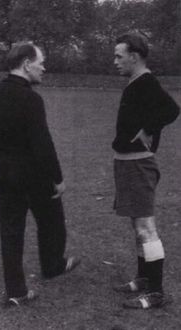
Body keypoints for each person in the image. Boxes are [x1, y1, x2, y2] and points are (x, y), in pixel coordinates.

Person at [0, 42, 80, 307]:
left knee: (11, 231)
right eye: (40, 62)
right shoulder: (31, 99)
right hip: (32, 176)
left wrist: (0, 160)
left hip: (3, 175)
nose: (43, 67)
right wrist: (58, 178)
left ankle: (16, 291)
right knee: (52, 216)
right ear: (25, 64)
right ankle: (53, 264)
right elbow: (43, 145)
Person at [112, 32, 180, 309]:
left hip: (139, 163)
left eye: (119, 56)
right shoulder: (135, 83)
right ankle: (143, 278)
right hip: (127, 162)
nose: (114, 61)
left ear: (134, 56)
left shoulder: (147, 82)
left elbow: (172, 109)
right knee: (136, 224)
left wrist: (149, 129)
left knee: (145, 227)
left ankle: (156, 291)